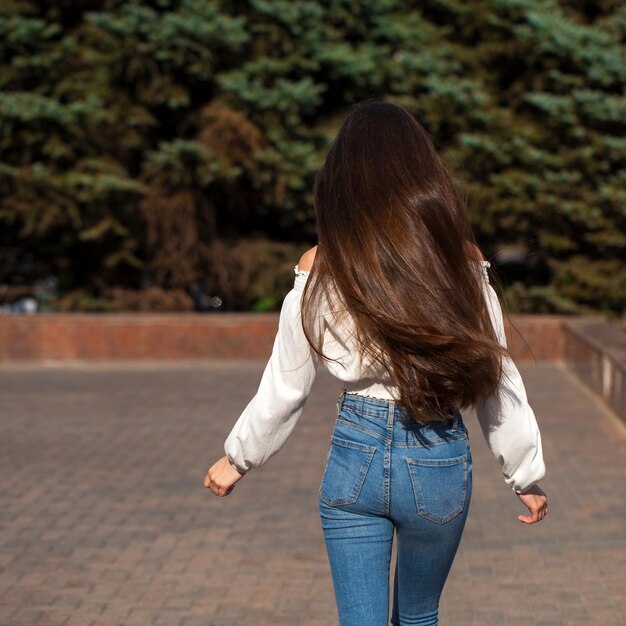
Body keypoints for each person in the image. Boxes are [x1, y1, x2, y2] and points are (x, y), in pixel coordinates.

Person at [203, 100, 548, 626]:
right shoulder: (461, 258)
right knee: (418, 617)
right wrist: (524, 473)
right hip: (438, 454)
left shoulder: (321, 263)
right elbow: (500, 379)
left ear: (341, 178)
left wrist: (238, 458)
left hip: (354, 454)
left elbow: (287, 384)